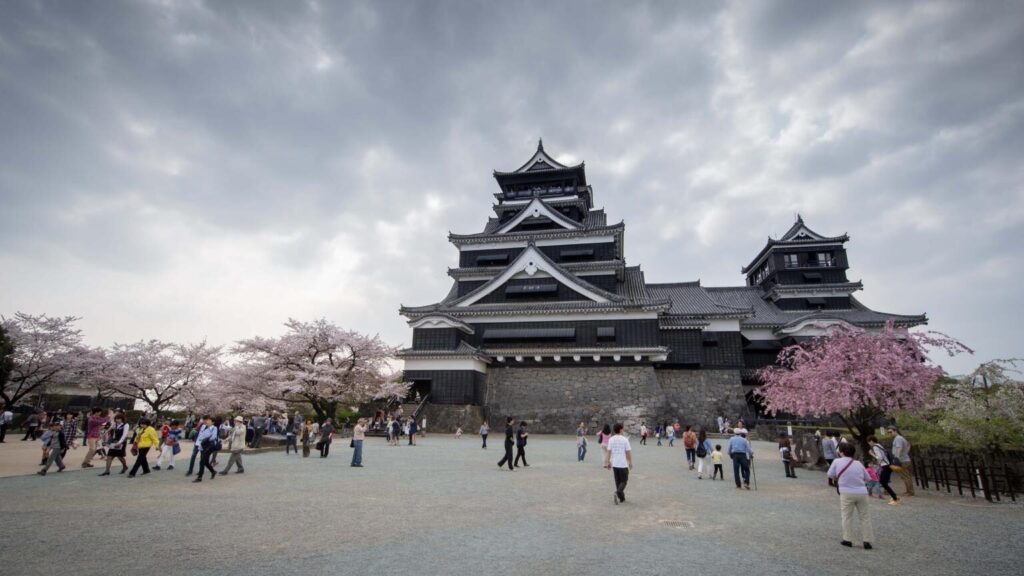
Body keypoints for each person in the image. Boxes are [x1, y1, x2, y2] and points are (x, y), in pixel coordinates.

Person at [827, 442, 875, 549]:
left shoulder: (837, 461)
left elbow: (830, 474)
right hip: (862, 492)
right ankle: (867, 541)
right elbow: (868, 478)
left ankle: (847, 539)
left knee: (846, 516)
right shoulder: (858, 463)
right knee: (865, 517)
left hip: (846, 492)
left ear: (841, 452)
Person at [867, 436, 900, 505]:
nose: (869, 444)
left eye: (869, 442)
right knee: (884, 482)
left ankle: (895, 498)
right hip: (888, 465)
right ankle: (895, 497)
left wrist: (872, 454)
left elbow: (880, 457)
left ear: (871, 441)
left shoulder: (875, 447)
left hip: (886, 466)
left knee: (883, 482)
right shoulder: (879, 445)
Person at [608, 423, 633, 504]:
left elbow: (609, 452)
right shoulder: (625, 439)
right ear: (620, 429)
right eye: (623, 428)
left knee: (618, 482)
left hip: (615, 464)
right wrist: (630, 462)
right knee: (624, 481)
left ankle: (622, 498)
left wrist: (608, 462)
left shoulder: (611, 439)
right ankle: (617, 492)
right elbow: (628, 452)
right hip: (623, 464)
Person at [888, 426, 914, 496]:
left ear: (895, 431)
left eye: (891, 432)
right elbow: (908, 445)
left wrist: (897, 458)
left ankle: (910, 492)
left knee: (906, 477)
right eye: (888, 432)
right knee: (905, 476)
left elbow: (899, 448)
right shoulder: (901, 438)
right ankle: (909, 491)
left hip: (902, 460)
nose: (890, 433)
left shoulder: (898, 438)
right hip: (904, 459)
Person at [193, 416, 220, 482]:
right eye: (206, 420)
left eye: (209, 420)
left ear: (212, 422)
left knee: (202, 461)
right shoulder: (204, 427)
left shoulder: (214, 428)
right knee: (205, 462)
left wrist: (205, 439)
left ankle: (200, 477)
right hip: (203, 446)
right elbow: (200, 436)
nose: (207, 421)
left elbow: (213, 437)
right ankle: (213, 471)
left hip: (209, 446)